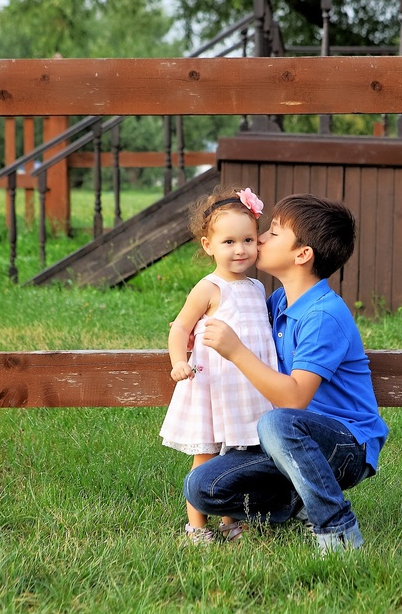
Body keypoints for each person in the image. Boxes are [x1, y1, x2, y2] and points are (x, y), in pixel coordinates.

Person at [186, 194, 389, 554]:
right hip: (289, 445)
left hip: (344, 446)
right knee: (201, 486)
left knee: (277, 422)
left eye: (274, 233)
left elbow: (294, 398)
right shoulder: (278, 302)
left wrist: (235, 350)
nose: (260, 238)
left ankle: (337, 529)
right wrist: (194, 327)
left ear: (302, 255)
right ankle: (296, 506)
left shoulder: (323, 315)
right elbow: (236, 321)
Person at [160, 186, 277, 545]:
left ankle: (230, 520)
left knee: (237, 458)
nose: (240, 249)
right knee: (208, 455)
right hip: (216, 386)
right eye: (228, 242)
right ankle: (197, 525)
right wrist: (178, 361)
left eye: (247, 240)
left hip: (248, 387)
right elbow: (180, 327)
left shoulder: (258, 287)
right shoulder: (209, 288)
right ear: (208, 245)